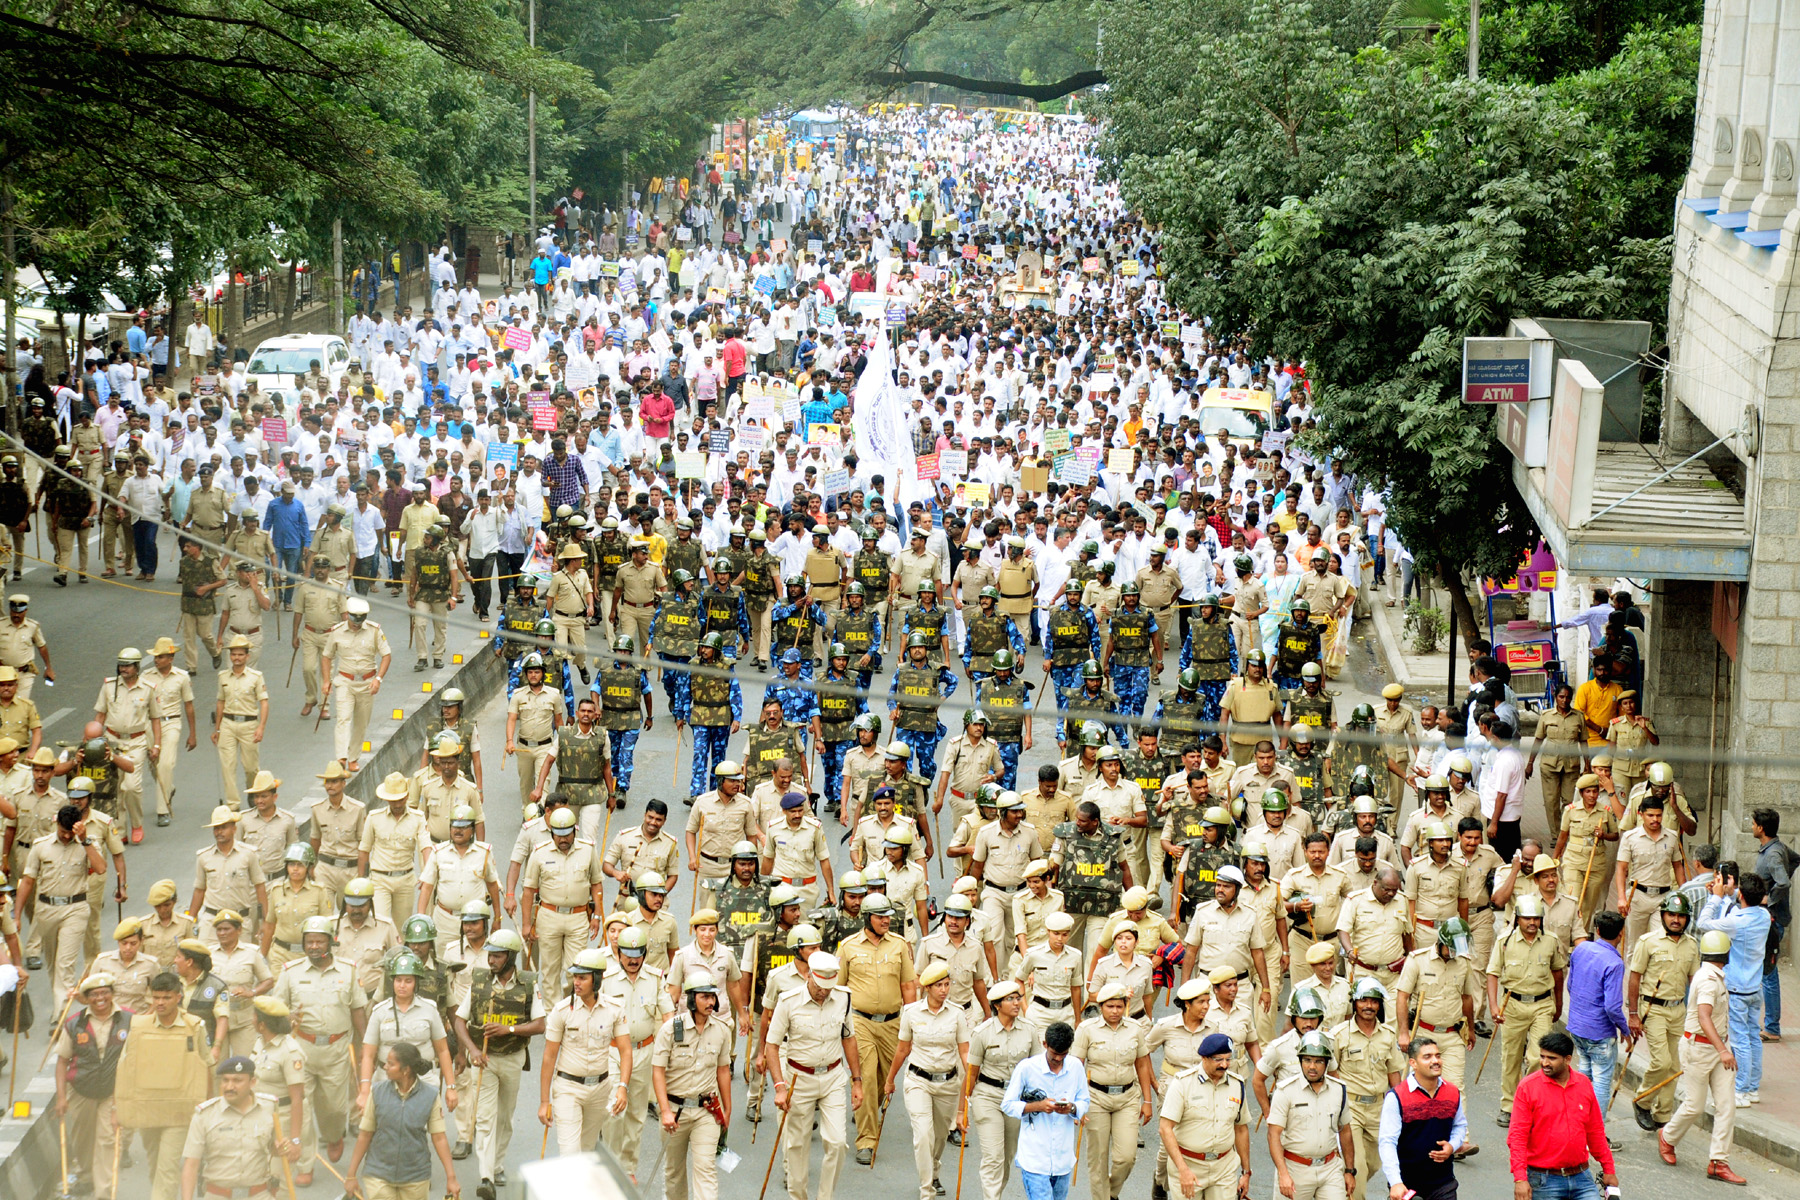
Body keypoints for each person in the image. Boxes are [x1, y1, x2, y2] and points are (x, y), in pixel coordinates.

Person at [763, 950, 863, 1200]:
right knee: (796, 1147)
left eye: (829, 987)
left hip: (832, 1078)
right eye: (820, 986)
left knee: (838, 1143)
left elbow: (848, 1038)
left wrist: (857, 1081)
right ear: (808, 975)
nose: (825, 992)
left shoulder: (843, 998)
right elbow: (771, 1046)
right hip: (799, 1078)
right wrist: (779, 1086)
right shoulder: (788, 1001)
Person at [113, 971, 215, 1200]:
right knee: (155, 1164)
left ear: (178, 997)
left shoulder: (194, 1026)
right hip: (147, 1108)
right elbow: (125, 1068)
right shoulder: (138, 1026)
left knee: (167, 1167)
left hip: (180, 1110)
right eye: (156, 997)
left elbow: (206, 1065)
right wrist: (117, 1108)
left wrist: (209, 1105)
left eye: (166, 997)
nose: (160, 1002)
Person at [1658, 929, 1745, 1183]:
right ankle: (1668, 1137)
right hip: (1701, 1049)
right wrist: (1723, 1050)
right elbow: (1705, 1017)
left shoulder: (1713, 974)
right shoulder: (1708, 979)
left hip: (1718, 1049)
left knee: (1726, 1106)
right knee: (1694, 1105)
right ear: (1725, 953)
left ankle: (1719, 1162)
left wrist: (1724, 1050)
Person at [538, 947, 632, 1156]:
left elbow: (625, 1051)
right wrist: (545, 1101)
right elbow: (549, 1057)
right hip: (568, 1088)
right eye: (574, 977)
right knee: (570, 1154)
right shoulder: (561, 1011)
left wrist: (622, 1087)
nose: (576, 983)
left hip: (600, 1089)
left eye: (582, 978)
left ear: (597, 980)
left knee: (587, 1152)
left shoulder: (614, 1009)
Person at [1505, 1030, 1618, 1200]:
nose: (1544, 1063)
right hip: (1544, 1181)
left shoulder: (1583, 1085)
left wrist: (1609, 1169)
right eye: (1542, 1056)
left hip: (1582, 1178)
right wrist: (1520, 1178)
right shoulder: (1527, 1088)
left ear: (1567, 1059)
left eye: (1551, 1058)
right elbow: (1517, 1137)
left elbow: (1595, 1132)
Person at [652, 969, 734, 1200]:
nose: (710, 1002)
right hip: (674, 1112)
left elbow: (723, 1070)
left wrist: (727, 1110)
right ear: (691, 999)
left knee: (706, 1169)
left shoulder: (721, 1030)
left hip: (706, 1111)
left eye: (713, 997)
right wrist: (665, 1111)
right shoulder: (670, 1029)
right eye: (704, 997)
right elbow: (657, 1071)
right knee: (674, 1172)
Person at [344, 1040, 462, 1200]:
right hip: (378, 1175)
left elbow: (439, 1138)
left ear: (406, 1070)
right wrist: (351, 1175)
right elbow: (365, 1135)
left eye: (390, 1064)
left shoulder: (430, 1096)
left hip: (416, 1178)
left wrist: (451, 1177)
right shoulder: (377, 1092)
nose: (385, 1066)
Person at [1695, 870, 1772, 1106]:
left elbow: (1703, 923)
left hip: (1737, 989)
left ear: (1742, 895)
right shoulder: (1762, 915)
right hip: (1754, 986)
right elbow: (1741, 907)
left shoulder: (1738, 922)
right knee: (1753, 1037)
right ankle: (1752, 1088)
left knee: (1739, 1041)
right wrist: (1728, 893)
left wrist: (1716, 897)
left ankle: (1740, 1091)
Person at [178, 1055, 295, 1200]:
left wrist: (282, 1149)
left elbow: (276, 1150)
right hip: (218, 1195)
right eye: (225, 1080)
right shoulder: (204, 1115)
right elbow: (191, 1165)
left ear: (252, 1082)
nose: (229, 1087)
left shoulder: (268, 1108)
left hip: (259, 1194)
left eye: (237, 1081)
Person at [56, 972, 128, 1200]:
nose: (100, 998)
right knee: (82, 1139)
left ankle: (103, 1193)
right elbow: (62, 1062)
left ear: (112, 994)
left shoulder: (129, 1020)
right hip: (80, 1090)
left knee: (107, 1140)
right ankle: (86, 1175)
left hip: (112, 1091)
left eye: (105, 992)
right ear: (86, 998)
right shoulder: (74, 1023)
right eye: (94, 994)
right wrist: (61, 1098)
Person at [1156, 1030, 1250, 1200]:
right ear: (1204, 1058)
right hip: (1189, 1165)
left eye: (1228, 1059)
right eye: (1218, 1060)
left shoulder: (1237, 1085)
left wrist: (1246, 1172)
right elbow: (1165, 1128)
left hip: (1224, 1168)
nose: (1224, 1065)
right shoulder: (1182, 1084)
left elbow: (1241, 1129)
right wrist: (1183, 1170)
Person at [1003, 1021, 1091, 1200]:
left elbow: (1084, 1101)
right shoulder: (1027, 1068)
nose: (1058, 1059)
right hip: (1035, 1159)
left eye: (1063, 1054)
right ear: (1045, 1045)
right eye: (1054, 1054)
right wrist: (1038, 1106)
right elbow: (1008, 1104)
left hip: (1062, 1159)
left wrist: (1071, 1108)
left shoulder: (1075, 1067)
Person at [1267, 1031, 1356, 1200]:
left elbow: (1345, 1131)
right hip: (1295, 1170)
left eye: (1318, 1061)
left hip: (1330, 1169)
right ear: (1300, 1061)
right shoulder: (1285, 1091)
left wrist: (1349, 1170)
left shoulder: (1339, 1090)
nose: (1312, 1067)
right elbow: (1273, 1135)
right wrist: (1283, 1173)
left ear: (1327, 1063)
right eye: (1307, 1060)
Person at [1377, 1037, 1467, 1200]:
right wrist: (1396, 1182)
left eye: (1437, 1056)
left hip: (1443, 1184)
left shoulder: (1453, 1092)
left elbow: (1460, 1126)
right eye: (1427, 1057)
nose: (1435, 1061)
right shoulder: (1397, 1097)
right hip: (1407, 1187)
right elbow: (1387, 1142)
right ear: (1413, 1063)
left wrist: (1452, 1146)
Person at [1562, 911, 1631, 1115]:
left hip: (1577, 1026)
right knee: (1601, 1082)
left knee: (1584, 1074)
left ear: (1598, 930)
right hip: (1599, 1032)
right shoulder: (1614, 963)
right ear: (1621, 934)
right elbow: (1612, 1006)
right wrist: (1624, 1029)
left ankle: (1577, 1123)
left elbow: (1571, 986)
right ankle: (1597, 1135)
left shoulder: (1581, 949)